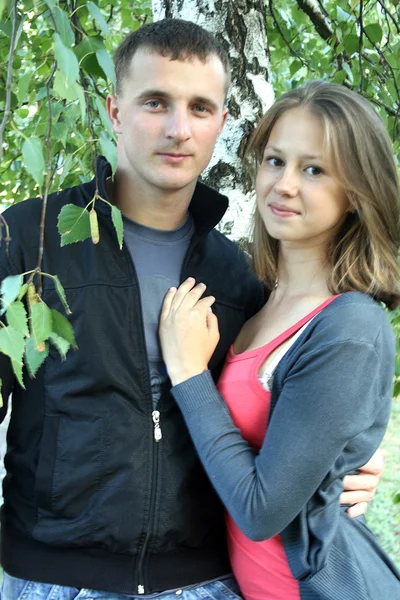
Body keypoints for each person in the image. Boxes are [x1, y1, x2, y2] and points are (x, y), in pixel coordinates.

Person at [0, 21, 382, 600]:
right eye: (155, 102)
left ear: (221, 124)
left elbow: (279, 421)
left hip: (205, 581)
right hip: (53, 579)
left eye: (200, 108)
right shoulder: (28, 240)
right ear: (113, 110)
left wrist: (346, 465)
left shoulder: (240, 276)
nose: (179, 129)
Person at [159, 80, 400, 599]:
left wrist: (190, 374)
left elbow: (260, 510)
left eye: (313, 169)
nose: (284, 184)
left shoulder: (350, 327)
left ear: (356, 193)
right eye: (274, 161)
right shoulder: (259, 300)